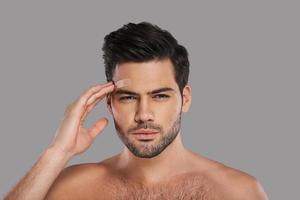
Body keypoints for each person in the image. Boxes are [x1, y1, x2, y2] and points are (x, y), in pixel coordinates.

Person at [5, 22, 269, 200]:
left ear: (185, 99)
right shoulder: (71, 188)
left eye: (160, 96)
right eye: (129, 97)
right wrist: (57, 152)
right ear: (109, 102)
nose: (144, 114)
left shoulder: (238, 191)